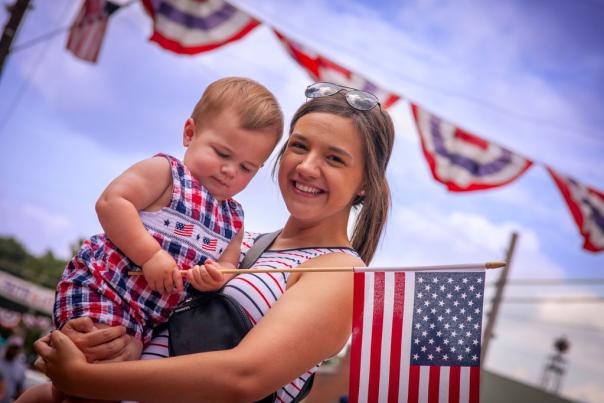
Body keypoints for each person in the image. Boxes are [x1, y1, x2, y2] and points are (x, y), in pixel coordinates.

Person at [29, 82, 395, 403]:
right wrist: (91, 339)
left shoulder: (341, 270)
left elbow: (243, 378)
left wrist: (84, 378)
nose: (306, 167)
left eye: (334, 158)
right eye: (299, 146)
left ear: (365, 183)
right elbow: (149, 315)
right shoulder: (232, 240)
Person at [20, 77, 283, 403]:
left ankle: (43, 397)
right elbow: (112, 202)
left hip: (147, 319)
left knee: (100, 385)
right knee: (100, 364)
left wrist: (216, 277)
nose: (230, 171)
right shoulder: (167, 174)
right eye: (222, 153)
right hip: (106, 286)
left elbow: (228, 263)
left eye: (247, 167)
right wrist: (150, 255)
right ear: (190, 133)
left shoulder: (234, 219)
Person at [0, 337, 26, 403]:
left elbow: (20, 389)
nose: (13, 350)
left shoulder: (20, 368)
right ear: (8, 346)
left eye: (16, 348)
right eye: (12, 347)